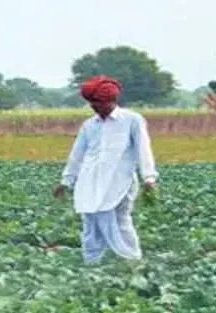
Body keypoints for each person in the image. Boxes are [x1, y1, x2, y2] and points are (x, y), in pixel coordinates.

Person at [54, 76, 158, 265]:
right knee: (90, 221)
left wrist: (149, 178)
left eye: (98, 102)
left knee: (121, 220)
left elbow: (143, 149)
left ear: (111, 100)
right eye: (91, 102)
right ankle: (92, 262)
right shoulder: (89, 125)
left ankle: (131, 259)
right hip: (90, 180)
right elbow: (77, 154)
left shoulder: (132, 120)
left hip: (120, 180)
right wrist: (66, 181)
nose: (94, 106)